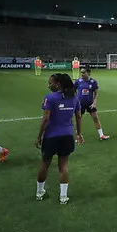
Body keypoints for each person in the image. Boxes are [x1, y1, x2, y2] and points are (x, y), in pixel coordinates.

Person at [35, 73, 83, 204]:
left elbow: (45, 119)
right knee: (63, 166)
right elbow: (78, 117)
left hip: (51, 136)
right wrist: (79, 134)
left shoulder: (50, 98)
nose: (49, 85)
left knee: (45, 163)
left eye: (51, 83)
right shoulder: (74, 98)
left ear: (58, 84)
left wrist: (39, 136)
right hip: (67, 136)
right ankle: (63, 197)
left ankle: (39, 193)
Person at [74, 66, 110, 140]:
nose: (82, 74)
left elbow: (96, 93)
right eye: (81, 72)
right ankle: (78, 136)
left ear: (88, 73)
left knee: (95, 118)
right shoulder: (78, 81)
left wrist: (94, 103)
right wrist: (75, 99)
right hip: (80, 104)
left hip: (90, 103)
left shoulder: (93, 82)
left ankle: (101, 135)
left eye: (83, 72)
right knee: (79, 119)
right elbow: (73, 89)